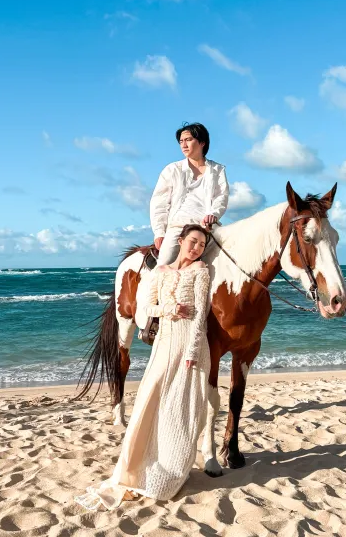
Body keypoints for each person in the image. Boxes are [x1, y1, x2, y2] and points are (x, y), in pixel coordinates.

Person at [75, 224, 212, 511]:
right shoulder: (158, 273)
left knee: (181, 408)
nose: (196, 247)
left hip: (191, 346)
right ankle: (138, 463)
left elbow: (201, 315)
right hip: (164, 343)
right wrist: (170, 310)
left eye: (201, 244)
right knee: (150, 400)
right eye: (193, 241)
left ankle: (173, 466)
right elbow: (145, 309)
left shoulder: (201, 271)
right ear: (181, 240)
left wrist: (192, 351)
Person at [151, 122, 229, 266]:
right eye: (181, 141)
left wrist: (214, 214)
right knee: (164, 264)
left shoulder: (217, 170)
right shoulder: (172, 169)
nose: (183, 145)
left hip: (208, 227)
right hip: (179, 227)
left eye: (188, 140)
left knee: (229, 262)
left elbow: (221, 197)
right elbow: (159, 203)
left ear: (202, 142)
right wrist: (159, 232)